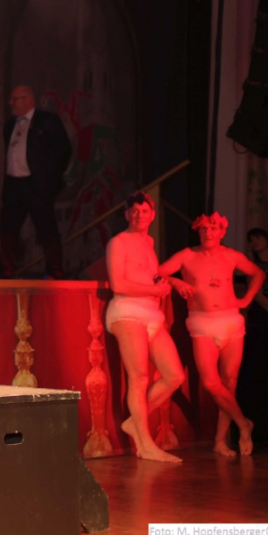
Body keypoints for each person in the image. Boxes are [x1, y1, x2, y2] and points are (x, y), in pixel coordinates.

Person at [158, 213, 264, 457]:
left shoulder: (231, 255)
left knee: (229, 383)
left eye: (214, 228)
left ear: (222, 232)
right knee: (210, 383)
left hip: (231, 322)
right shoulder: (187, 255)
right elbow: (157, 272)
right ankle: (243, 424)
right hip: (202, 323)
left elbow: (258, 274)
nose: (209, 233)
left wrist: (246, 299)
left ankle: (220, 441)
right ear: (198, 231)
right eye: (204, 229)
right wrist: (175, 282)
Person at [105, 191, 185, 463]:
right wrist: (154, 289)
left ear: (153, 215)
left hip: (151, 314)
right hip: (127, 312)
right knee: (139, 377)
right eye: (135, 211)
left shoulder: (149, 242)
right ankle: (145, 443)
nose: (139, 215)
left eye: (145, 211)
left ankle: (134, 423)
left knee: (175, 375)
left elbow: (152, 275)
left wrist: (173, 282)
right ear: (127, 214)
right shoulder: (118, 242)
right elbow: (118, 284)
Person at [0, 85, 71, 279]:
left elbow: (64, 150)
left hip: (36, 184)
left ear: (27, 100)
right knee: (8, 228)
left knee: (46, 227)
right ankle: (6, 270)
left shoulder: (47, 121)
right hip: (14, 184)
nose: (11, 103)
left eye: (15, 99)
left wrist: (50, 178)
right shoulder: (9, 125)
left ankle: (55, 269)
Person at [246, 227, 268, 317]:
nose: (255, 242)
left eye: (258, 238)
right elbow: (258, 296)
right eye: (251, 240)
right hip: (264, 311)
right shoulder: (254, 267)